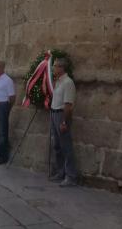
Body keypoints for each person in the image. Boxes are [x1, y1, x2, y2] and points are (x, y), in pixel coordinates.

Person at [49, 57, 78, 187]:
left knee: (66, 146)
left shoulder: (68, 82)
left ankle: (70, 176)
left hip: (61, 115)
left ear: (61, 68)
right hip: (54, 113)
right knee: (57, 145)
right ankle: (60, 172)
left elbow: (68, 105)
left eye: (55, 66)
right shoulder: (58, 82)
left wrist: (64, 122)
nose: (52, 68)